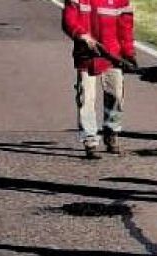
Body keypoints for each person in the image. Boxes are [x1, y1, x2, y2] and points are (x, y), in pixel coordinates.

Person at [63, 0, 136, 158]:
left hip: (113, 55)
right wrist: (82, 35)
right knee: (86, 99)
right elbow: (69, 20)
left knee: (116, 95)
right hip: (86, 55)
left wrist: (129, 53)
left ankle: (111, 131)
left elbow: (126, 26)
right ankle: (90, 140)